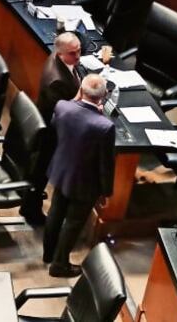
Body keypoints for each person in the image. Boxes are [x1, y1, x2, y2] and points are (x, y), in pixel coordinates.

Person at [44, 74, 115, 278]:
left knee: (56, 211)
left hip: (62, 169)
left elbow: (56, 126)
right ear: (102, 97)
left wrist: (76, 100)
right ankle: (59, 264)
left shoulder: (63, 107)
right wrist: (106, 191)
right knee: (73, 222)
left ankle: (49, 253)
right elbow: (106, 164)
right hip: (85, 182)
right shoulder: (105, 126)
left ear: (81, 91)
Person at [20, 32, 86, 224]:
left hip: (52, 125)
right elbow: (65, 111)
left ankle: (30, 203)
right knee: (41, 172)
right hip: (51, 132)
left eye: (79, 51)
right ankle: (30, 210)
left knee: (40, 171)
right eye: (73, 53)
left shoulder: (59, 57)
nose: (78, 57)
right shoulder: (56, 80)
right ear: (60, 54)